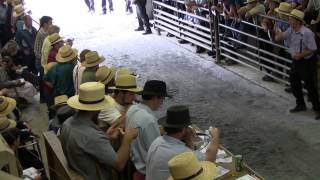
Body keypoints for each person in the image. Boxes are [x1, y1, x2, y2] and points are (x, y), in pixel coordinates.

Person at [60, 82, 138, 179]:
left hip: (78, 169)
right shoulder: (92, 136)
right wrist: (127, 138)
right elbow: (119, 165)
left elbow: (86, 145)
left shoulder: (67, 123)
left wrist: (106, 137)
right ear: (96, 109)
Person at [146, 105, 220, 180]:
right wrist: (215, 136)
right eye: (187, 127)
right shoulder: (181, 152)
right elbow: (209, 160)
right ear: (184, 129)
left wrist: (187, 138)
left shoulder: (157, 141)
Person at [275, 9, 320, 119]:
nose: (289, 21)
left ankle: (318, 109)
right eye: (289, 19)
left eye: (291, 19)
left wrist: (301, 55)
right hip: (296, 60)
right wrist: (278, 35)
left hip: (307, 61)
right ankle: (300, 104)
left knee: (310, 86)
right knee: (294, 82)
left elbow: (313, 49)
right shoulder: (291, 29)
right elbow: (281, 37)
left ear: (298, 21)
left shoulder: (307, 33)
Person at [125, 80, 171, 179]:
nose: (162, 103)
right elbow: (156, 152)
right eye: (162, 99)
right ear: (155, 98)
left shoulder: (133, 109)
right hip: (145, 171)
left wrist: (158, 129)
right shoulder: (149, 120)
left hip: (132, 162)